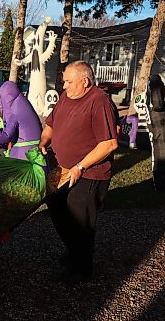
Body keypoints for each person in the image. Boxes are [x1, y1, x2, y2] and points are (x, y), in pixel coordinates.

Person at [39, 61, 118, 281]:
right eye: (64, 81)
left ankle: (82, 269)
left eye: (68, 81)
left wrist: (80, 166)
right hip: (64, 169)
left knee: (80, 221)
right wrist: (44, 140)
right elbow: (52, 123)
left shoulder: (99, 101)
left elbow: (109, 143)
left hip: (89, 173)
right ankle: (75, 251)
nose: (64, 86)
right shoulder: (67, 96)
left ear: (85, 81)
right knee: (56, 206)